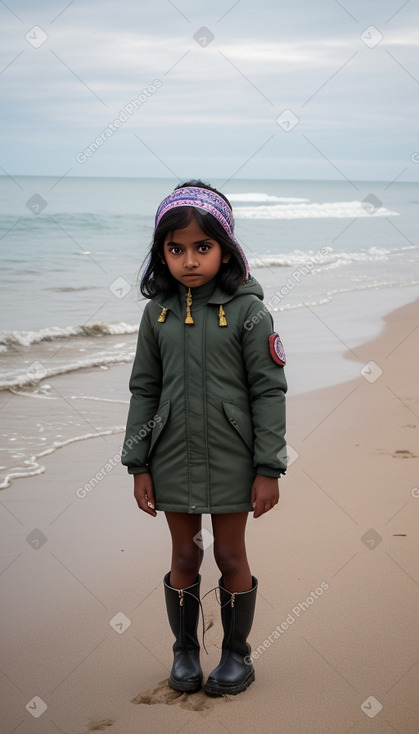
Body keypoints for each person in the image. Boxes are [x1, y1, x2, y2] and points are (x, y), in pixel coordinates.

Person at [121, 180, 287, 697]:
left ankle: (237, 656)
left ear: (226, 248)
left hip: (235, 460)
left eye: (202, 247)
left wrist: (268, 468)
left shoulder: (248, 311)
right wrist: (138, 463)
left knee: (230, 556)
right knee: (185, 556)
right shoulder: (157, 313)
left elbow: (269, 391)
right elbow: (144, 390)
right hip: (171, 457)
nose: (189, 259)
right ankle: (186, 653)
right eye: (176, 248)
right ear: (161, 253)